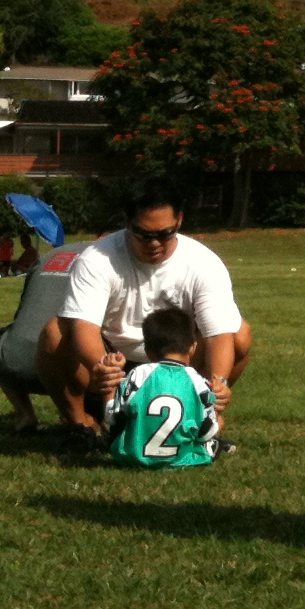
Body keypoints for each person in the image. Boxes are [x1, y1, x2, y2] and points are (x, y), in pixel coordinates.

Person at [37, 177, 252, 448]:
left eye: (164, 234)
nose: (154, 243)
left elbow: (219, 334)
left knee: (240, 333)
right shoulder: (97, 258)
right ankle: (80, 423)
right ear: (128, 223)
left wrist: (218, 386)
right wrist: (101, 366)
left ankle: (203, 418)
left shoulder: (204, 263)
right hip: (114, 359)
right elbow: (84, 325)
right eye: (143, 234)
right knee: (54, 331)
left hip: (177, 362)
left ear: (180, 221)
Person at [101, 308, 229, 469]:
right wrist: (217, 408)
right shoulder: (198, 381)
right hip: (182, 459)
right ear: (193, 347)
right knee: (216, 424)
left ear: (147, 350)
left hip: (131, 458)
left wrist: (110, 388)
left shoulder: (138, 374)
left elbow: (112, 417)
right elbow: (206, 432)